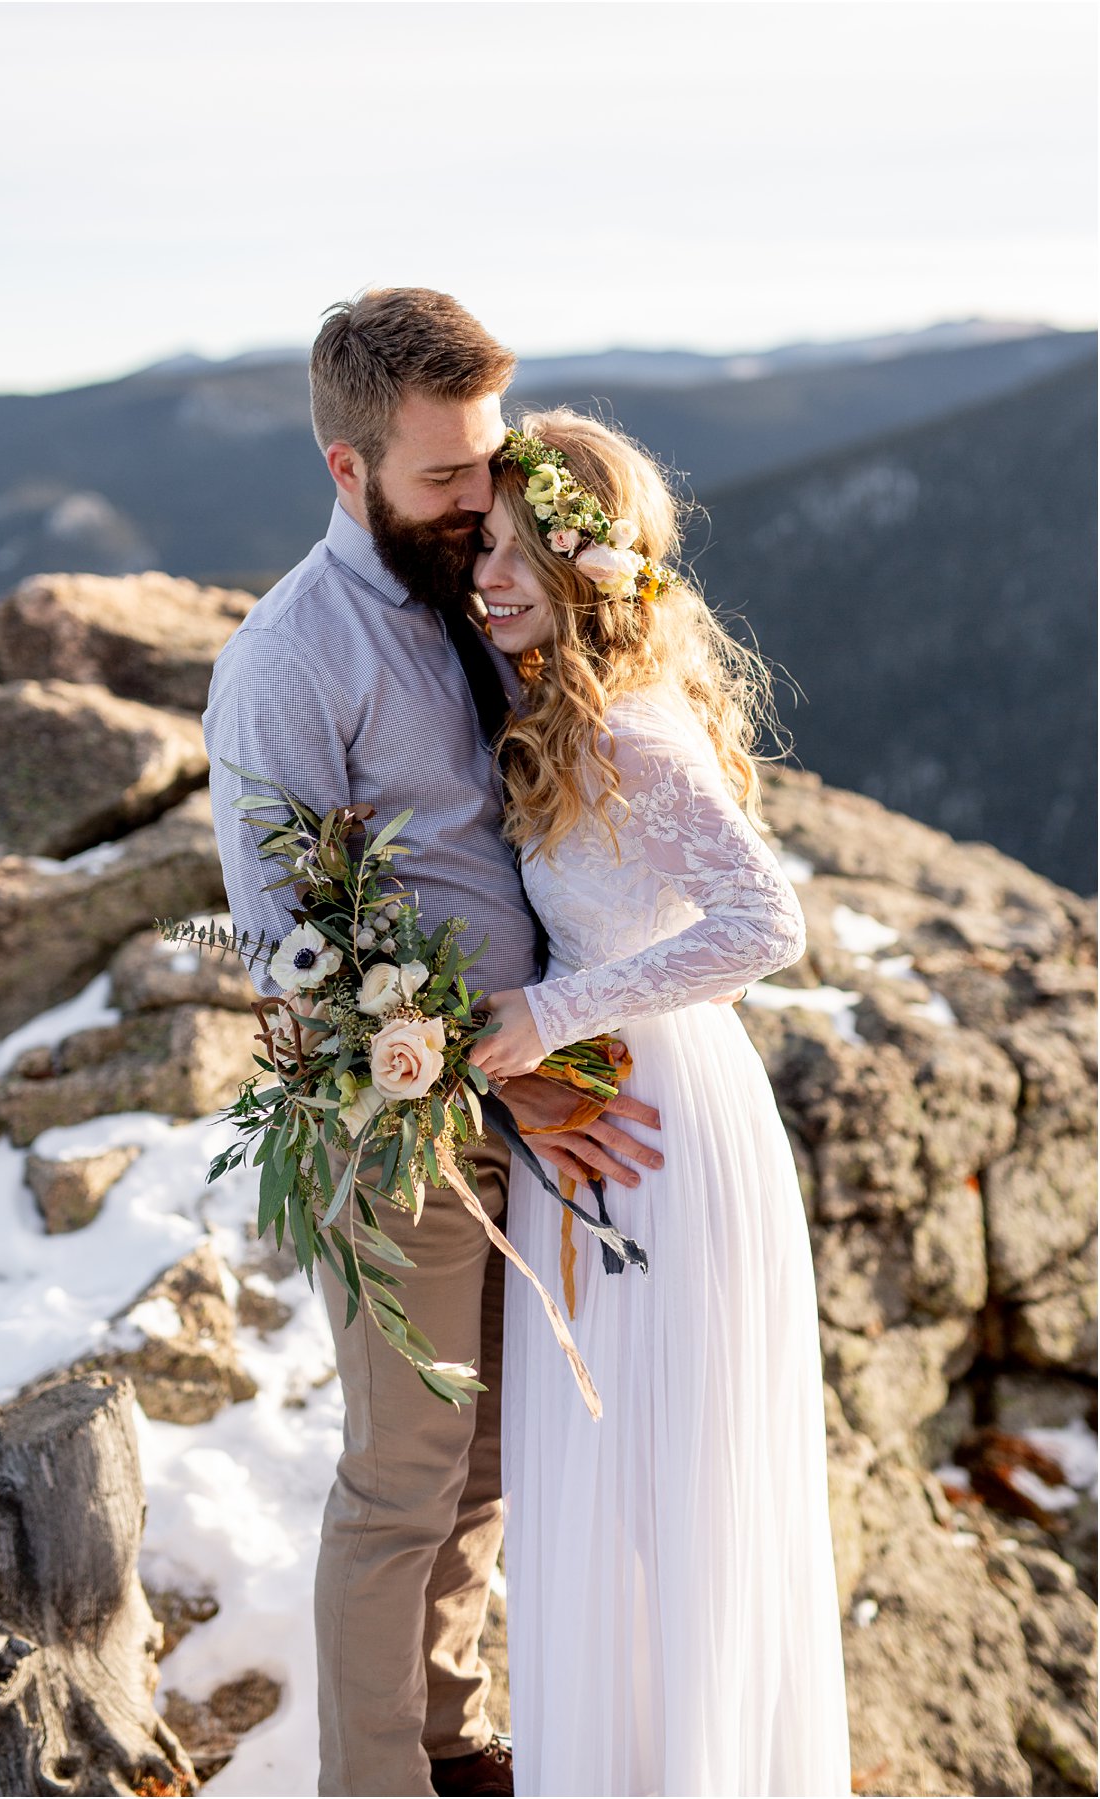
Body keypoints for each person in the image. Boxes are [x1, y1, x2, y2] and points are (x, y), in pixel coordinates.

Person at [201, 288, 666, 1799]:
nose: (485, 505)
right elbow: (279, 943)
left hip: (537, 1089)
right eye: (447, 478)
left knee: (483, 1473)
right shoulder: (288, 660)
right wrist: (476, 1057)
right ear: (350, 472)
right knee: (401, 1479)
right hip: (395, 1116)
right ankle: (376, 1784)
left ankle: (457, 1744)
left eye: (493, 461)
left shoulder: (497, 582)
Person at [465, 409, 849, 1794]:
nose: (488, 577)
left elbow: (767, 923)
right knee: (596, 1481)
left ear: (588, 567)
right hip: (597, 1118)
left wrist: (551, 1015)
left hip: (669, 1129)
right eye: (481, 546)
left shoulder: (629, 733)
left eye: (518, 550)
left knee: (670, 1491)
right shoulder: (560, 715)